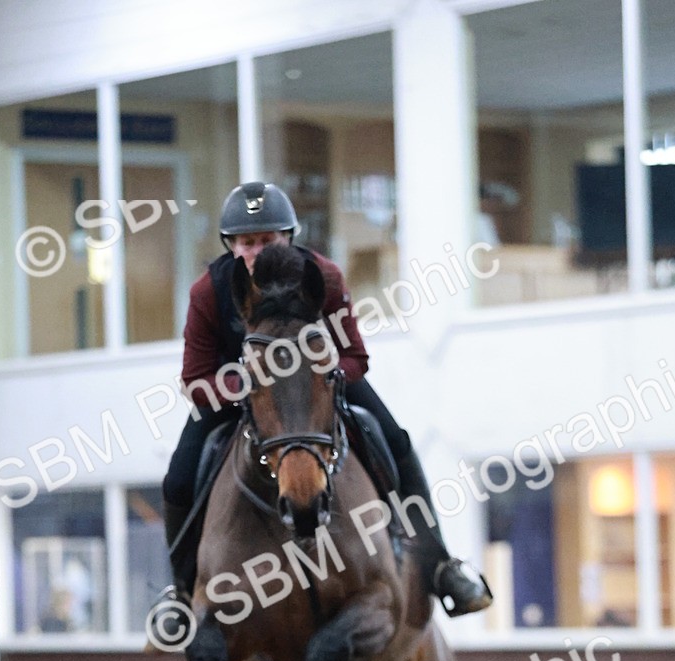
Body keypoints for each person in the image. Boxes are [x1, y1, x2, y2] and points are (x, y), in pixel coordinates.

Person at [159, 181, 491, 634]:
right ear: (231, 246)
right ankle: (179, 593)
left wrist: (318, 375)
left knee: (395, 440)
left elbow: (357, 357)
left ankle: (440, 565)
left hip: (316, 384)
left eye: (268, 239)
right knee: (179, 475)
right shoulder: (207, 292)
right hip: (237, 394)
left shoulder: (325, 277)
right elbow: (195, 378)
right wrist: (251, 385)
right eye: (247, 242)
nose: (257, 251)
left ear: (289, 238)